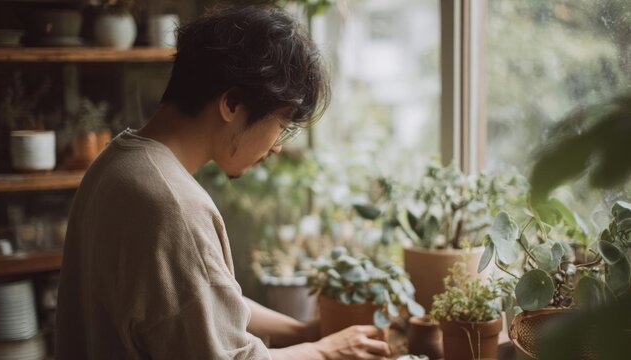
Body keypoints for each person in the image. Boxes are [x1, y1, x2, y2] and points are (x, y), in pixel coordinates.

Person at [56, 5, 391, 360]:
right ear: (231, 103)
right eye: (282, 124)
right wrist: (324, 352)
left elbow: (201, 300)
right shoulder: (172, 206)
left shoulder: (117, 164)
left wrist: (302, 331)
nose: (277, 146)